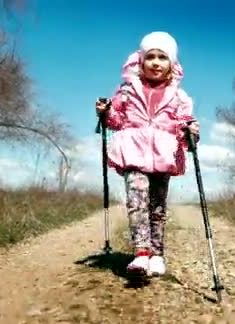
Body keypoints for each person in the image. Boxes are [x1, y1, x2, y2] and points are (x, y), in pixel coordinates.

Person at [95, 31, 200, 277]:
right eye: (150, 56)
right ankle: (141, 253)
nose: (155, 62)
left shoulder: (179, 97)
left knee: (157, 207)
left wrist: (190, 132)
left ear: (171, 64)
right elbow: (117, 120)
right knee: (137, 199)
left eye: (162, 57)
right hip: (133, 152)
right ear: (140, 61)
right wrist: (106, 112)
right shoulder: (128, 90)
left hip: (163, 155)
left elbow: (184, 125)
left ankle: (157, 254)